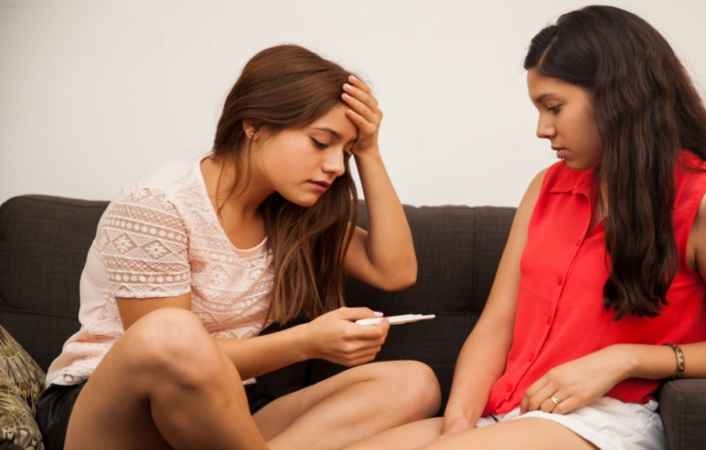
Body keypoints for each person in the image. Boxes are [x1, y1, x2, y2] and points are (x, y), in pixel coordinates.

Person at [343, 6, 706, 450]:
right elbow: (496, 326)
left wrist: (623, 359)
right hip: (510, 409)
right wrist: (459, 421)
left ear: (619, 97)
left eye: (554, 107)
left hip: (607, 419)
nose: (541, 129)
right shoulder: (546, 188)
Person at [35, 44, 440, 450]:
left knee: (413, 383)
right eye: (321, 142)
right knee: (172, 333)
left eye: (345, 152)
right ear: (254, 126)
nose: (336, 166)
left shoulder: (291, 215)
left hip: (223, 413)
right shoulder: (157, 205)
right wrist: (307, 342)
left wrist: (368, 151)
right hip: (111, 413)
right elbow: (169, 356)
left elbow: (394, 270)